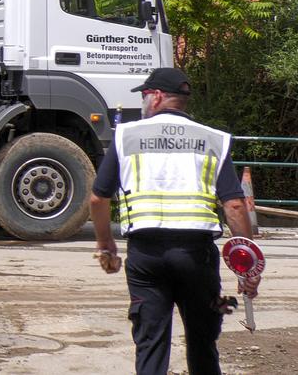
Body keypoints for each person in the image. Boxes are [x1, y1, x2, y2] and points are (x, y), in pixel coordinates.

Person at [90, 67, 261, 375]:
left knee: (151, 343)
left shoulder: (126, 136)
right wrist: (246, 265)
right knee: (202, 342)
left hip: (146, 256)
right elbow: (234, 206)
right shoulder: (213, 139)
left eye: (144, 96)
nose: (143, 102)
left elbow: (97, 199)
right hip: (196, 256)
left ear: (156, 97)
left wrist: (107, 246)